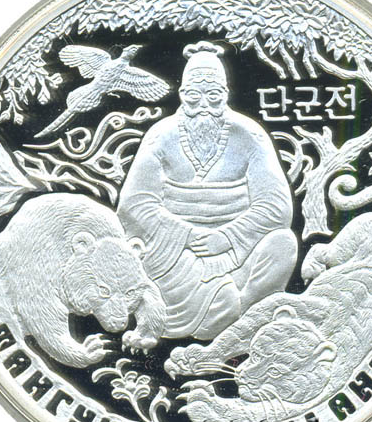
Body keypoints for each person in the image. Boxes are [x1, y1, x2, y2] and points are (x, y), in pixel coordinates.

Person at [117, 41, 297, 340]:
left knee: (283, 244)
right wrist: (188, 236)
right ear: (182, 94)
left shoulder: (249, 135)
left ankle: (240, 317)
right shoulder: (161, 135)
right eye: (194, 95)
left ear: (225, 94)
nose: (204, 104)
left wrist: (226, 236)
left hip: (236, 253)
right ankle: (225, 313)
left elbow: (277, 207)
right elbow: (133, 206)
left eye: (213, 95)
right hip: (175, 255)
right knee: (131, 252)